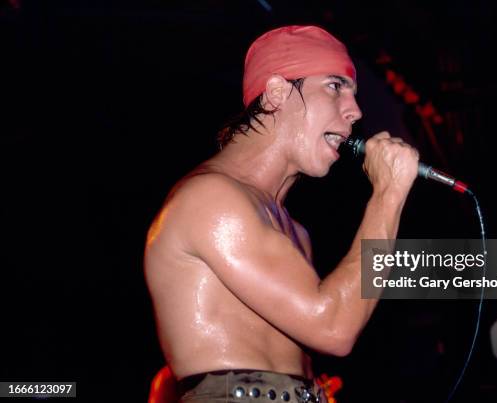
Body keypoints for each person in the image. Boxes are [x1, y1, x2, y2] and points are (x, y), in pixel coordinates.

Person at [144, 25, 419, 403]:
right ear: (276, 93)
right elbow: (335, 328)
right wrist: (388, 194)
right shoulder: (209, 199)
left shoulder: (293, 229)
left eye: (353, 93)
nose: (355, 111)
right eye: (335, 86)